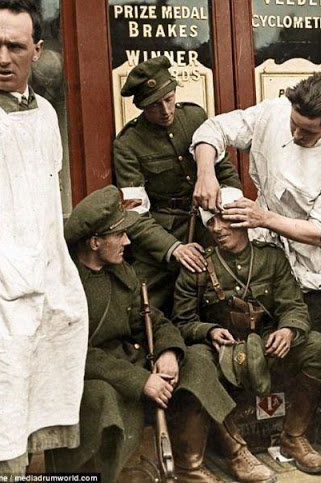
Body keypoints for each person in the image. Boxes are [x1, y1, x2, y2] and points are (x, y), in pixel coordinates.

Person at [0, 0, 88, 475]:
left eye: (15, 46)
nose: (2, 58)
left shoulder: (45, 113)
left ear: (37, 50)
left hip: (38, 296)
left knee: (30, 431)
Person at [47, 186, 235, 482]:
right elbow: (74, 353)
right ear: (95, 242)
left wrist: (168, 352)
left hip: (128, 360)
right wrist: (141, 380)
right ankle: (123, 473)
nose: (127, 240)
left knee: (197, 360)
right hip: (89, 374)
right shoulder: (66, 284)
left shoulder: (122, 272)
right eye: (119, 235)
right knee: (104, 397)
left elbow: (153, 320)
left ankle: (189, 466)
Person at [173, 187, 321, 480]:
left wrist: (288, 330)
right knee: (195, 360)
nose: (217, 229)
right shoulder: (198, 266)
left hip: (266, 349)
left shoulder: (270, 259)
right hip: (222, 354)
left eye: (225, 220)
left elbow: (294, 307)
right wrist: (209, 331)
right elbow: (182, 322)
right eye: (211, 222)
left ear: (244, 221)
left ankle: (294, 436)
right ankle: (237, 453)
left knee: (320, 346)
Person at [191, 74, 321, 336]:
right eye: (294, 123)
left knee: (311, 346)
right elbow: (214, 129)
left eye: (308, 131)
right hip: (269, 262)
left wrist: (264, 218)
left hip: (316, 272)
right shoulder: (274, 112)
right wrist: (206, 173)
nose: (296, 134)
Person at [114, 55, 241, 316]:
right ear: (141, 106)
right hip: (162, 239)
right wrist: (174, 249)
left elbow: (226, 173)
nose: (165, 110)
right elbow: (135, 215)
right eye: (154, 106)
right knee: (143, 308)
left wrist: (227, 216)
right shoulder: (127, 144)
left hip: (210, 226)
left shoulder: (195, 117)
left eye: (169, 99)